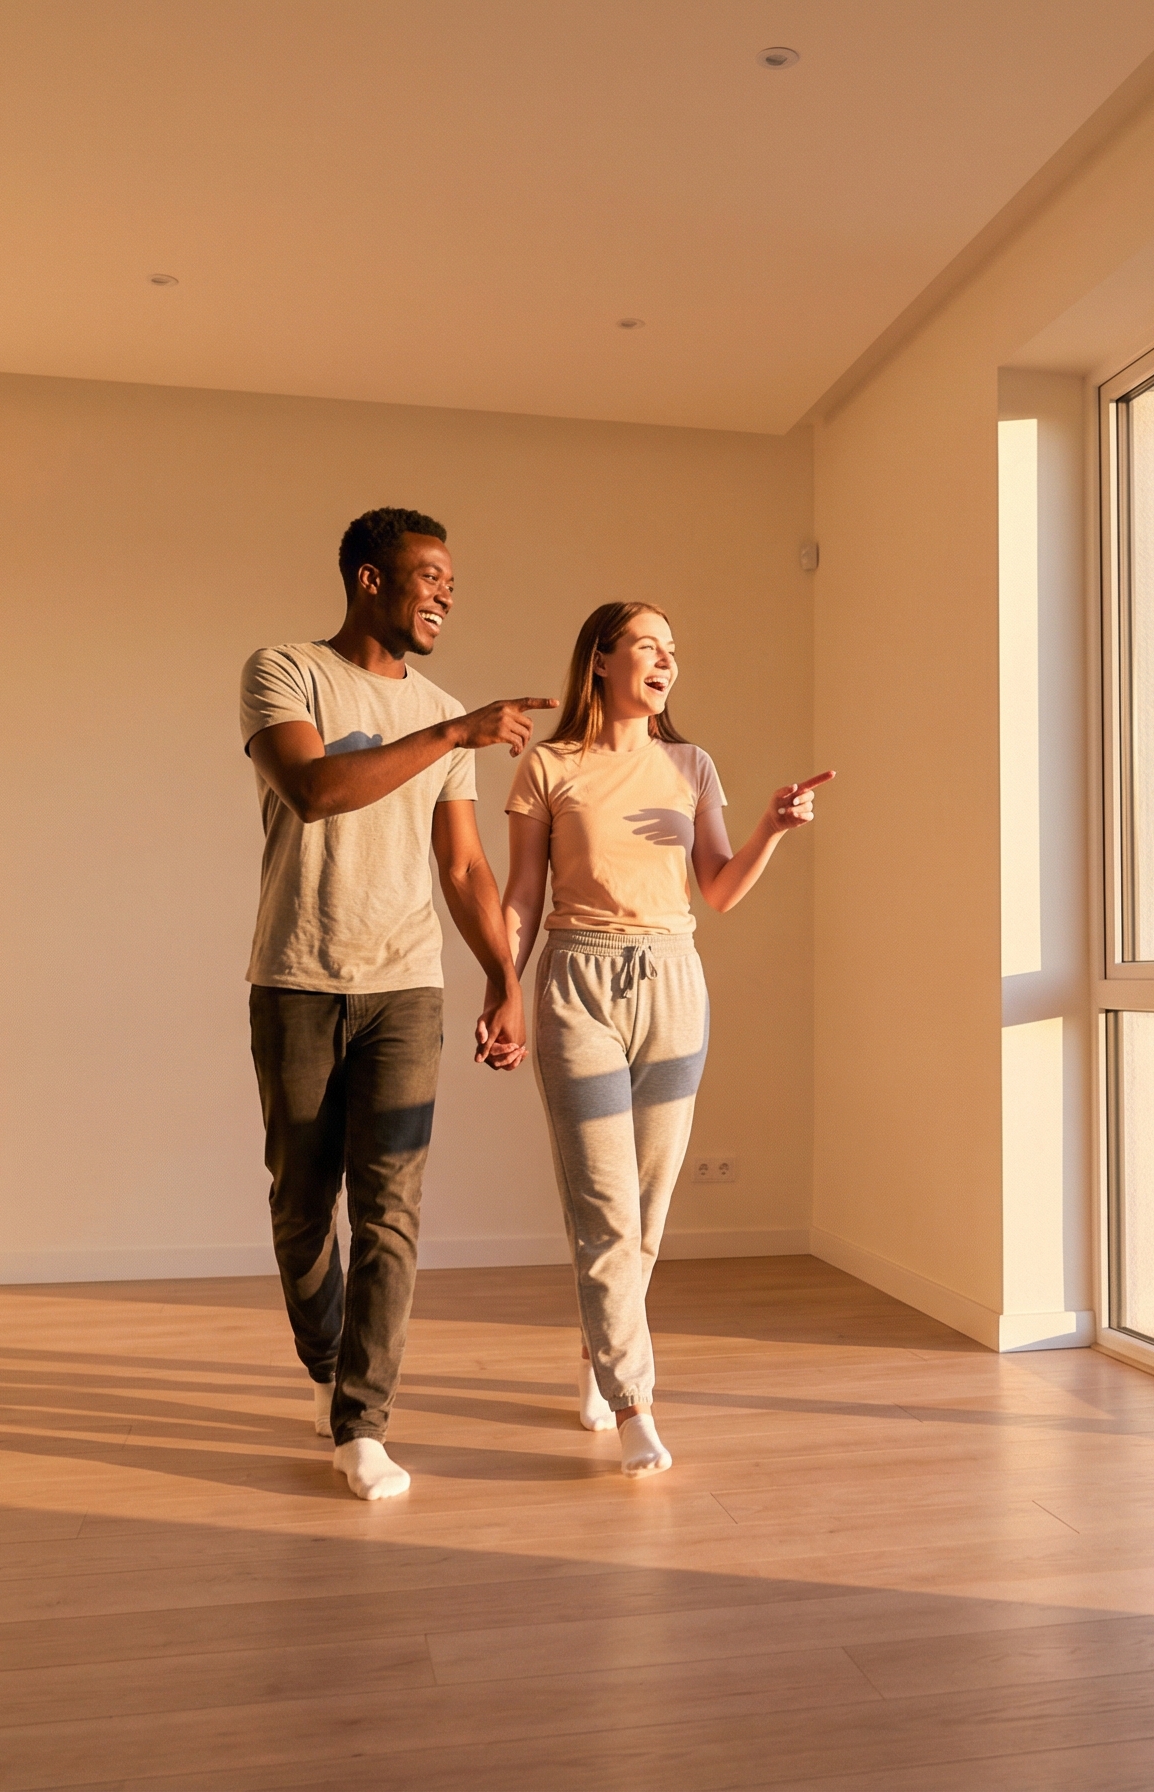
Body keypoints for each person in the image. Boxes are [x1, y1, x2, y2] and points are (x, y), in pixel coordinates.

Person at [240, 507, 552, 1501]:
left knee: (391, 1211)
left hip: (406, 988)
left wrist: (507, 980)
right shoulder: (285, 671)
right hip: (296, 977)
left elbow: (462, 866)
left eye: (452, 580)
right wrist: (454, 731)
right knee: (301, 1205)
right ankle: (332, 1367)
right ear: (371, 580)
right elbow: (315, 790)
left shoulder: (444, 707)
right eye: (429, 576)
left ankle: (363, 1421)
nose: (446, 595)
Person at [500, 602, 831, 1477]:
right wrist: (501, 986)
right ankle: (636, 1400)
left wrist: (772, 828)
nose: (667, 662)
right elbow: (523, 895)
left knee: (646, 1213)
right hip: (577, 980)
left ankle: (595, 1355)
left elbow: (717, 889)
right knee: (604, 1208)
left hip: (675, 980)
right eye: (650, 645)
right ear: (602, 658)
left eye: (674, 651)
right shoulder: (550, 766)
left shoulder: (691, 764)